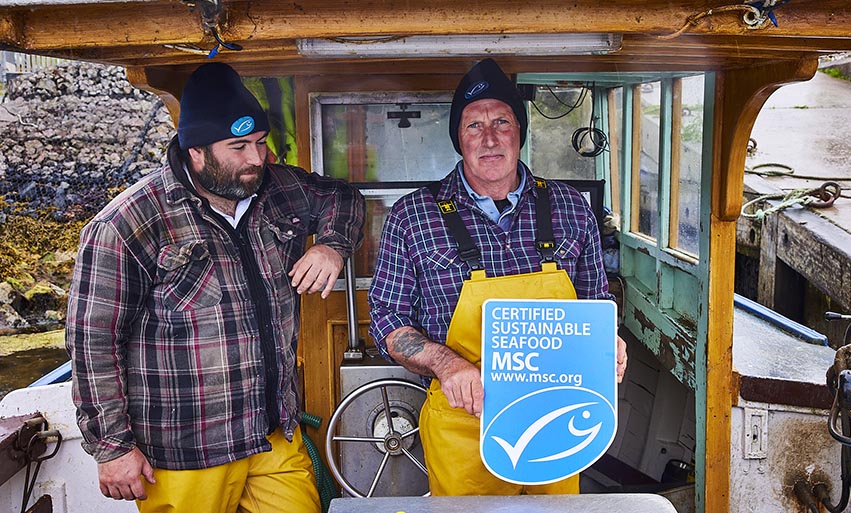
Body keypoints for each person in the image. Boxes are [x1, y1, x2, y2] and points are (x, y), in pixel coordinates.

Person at [66, 62, 364, 512]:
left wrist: (331, 247)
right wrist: (112, 447)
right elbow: (93, 343)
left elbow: (343, 198)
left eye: (261, 143)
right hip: (186, 454)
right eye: (239, 146)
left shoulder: (277, 188)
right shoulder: (126, 224)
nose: (256, 159)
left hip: (272, 435)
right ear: (196, 152)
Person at [367, 58, 628, 496]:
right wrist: (446, 363)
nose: (489, 139)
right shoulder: (412, 216)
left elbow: (595, 303)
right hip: (462, 424)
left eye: (501, 122)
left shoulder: (569, 207)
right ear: (458, 139)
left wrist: (606, 344)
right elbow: (387, 320)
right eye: (473, 126)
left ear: (520, 131)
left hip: (559, 419)